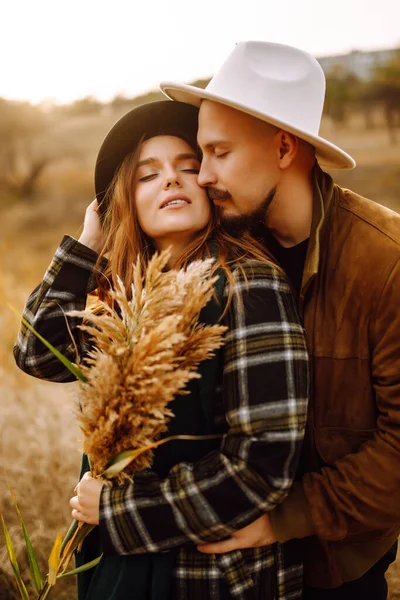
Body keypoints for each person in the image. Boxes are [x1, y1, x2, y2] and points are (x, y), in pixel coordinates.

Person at [13, 100, 309, 600]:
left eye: (188, 168)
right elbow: (37, 353)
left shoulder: (249, 286)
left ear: (212, 186)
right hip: (119, 566)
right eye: (147, 176)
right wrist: (88, 244)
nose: (171, 180)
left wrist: (114, 511)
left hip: (208, 576)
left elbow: (262, 467)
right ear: (122, 203)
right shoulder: (128, 293)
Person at [159, 41, 400, 599]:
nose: (204, 177)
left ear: (286, 146)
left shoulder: (385, 262)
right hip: (229, 574)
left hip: (333, 565)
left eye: (219, 152)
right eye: (202, 154)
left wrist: (282, 518)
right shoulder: (214, 248)